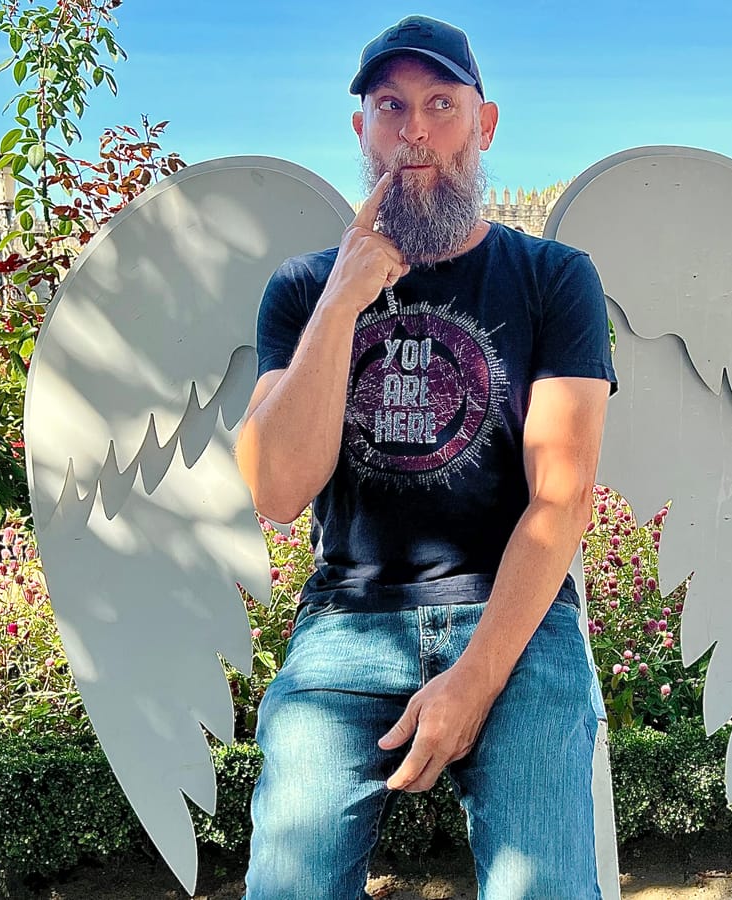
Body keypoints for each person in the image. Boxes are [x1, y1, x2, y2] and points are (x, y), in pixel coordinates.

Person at [234, 15, 616, 900]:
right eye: (391, 106)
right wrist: (343, 298)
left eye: (442, 104)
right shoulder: (303, 287)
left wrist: (473, 680)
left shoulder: (554, 278)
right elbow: (277, 489)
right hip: (348, 622)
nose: (416, 131)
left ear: (484, 125)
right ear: (361, 129)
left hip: (515, 623)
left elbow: (560, 499)